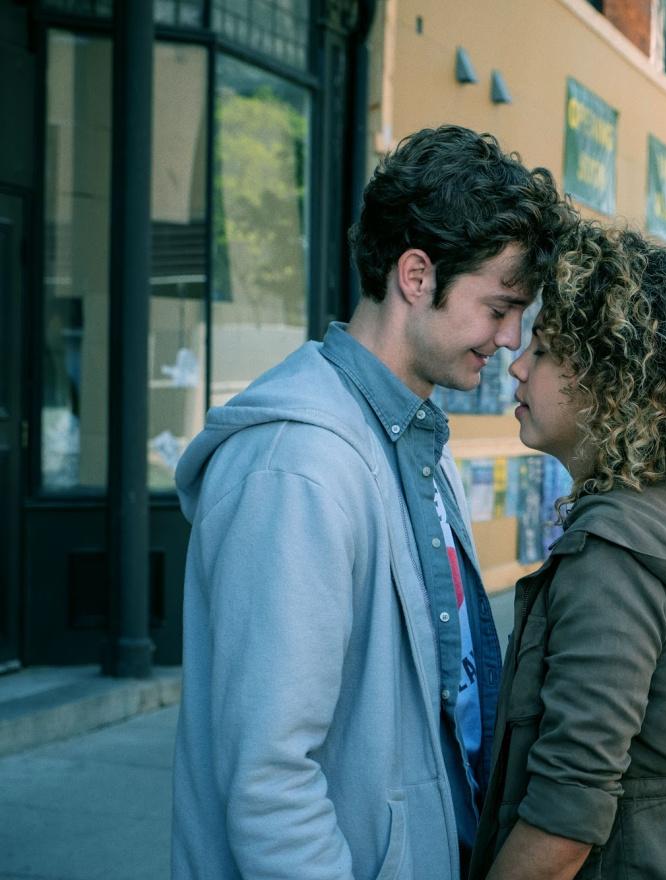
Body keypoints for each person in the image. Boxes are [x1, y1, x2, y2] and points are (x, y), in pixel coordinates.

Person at [171, 126, 573, 879]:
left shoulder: (416, 439)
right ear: (417, 276)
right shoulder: (298, 467)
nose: (513, 339)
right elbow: (270, 781)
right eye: (499, 307)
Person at [470, 224, 666, 879]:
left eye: (546, 349)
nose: (518, 364)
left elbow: (562, 823)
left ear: (612, 380)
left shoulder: (613, 556)